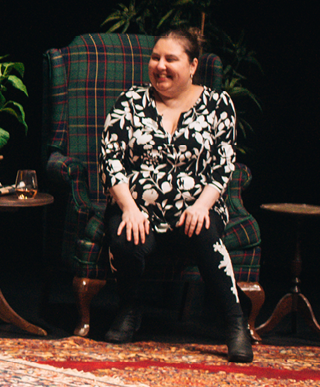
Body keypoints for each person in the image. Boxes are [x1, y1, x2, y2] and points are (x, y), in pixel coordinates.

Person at [99, 27, 251, 363]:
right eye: (155, 58)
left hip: (194, 208)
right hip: (138, 208)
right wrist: (129, 207)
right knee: (126, 239)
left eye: (171, 59)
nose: (160, 65)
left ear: (193, 65)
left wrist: (201, 206)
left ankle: (235, 324)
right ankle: (129, 309)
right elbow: (110, 158)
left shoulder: (217, 104)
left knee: (205, 230)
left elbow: (224, 165)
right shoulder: (130, 102)